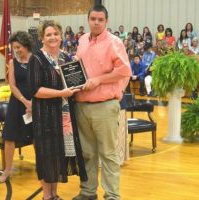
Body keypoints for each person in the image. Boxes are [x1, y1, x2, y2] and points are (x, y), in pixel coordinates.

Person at [73, 5, 131, 200]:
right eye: (93, 19)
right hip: (81, 105)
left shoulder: (114, 42)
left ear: (106, 21)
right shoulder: (81, 41)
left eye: (100, 20)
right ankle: (88, 192)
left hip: (104, 105)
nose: (96, 22)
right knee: (87, 153)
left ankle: (112, 195)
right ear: (88, 20)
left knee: (107, 153)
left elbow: (124, 71)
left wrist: (98, 80)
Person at [28, 20, 88, 200]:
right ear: (42, 38)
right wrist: (60, 92)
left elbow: (76, 83)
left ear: (61, 36)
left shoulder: (66, 58)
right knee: (47, 154)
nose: (53, 37)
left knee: (57, 154)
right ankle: (47, 196)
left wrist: (80, 72)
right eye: (48, 35)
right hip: (45, 115)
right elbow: (35, 90)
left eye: (55, 34)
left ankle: (55, 195)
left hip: (64, 116)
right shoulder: (36, 59)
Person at [0, 31, 34, 183]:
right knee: (9, 137)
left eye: (19, 47)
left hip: (36, 101)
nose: (17, 50)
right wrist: (26, 102)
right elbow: (12, 85)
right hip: (17, 103)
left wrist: (33, 102)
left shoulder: (36, 60)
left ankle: (43, 166)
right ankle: (7, 169)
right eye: (14, 48)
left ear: (26, 45)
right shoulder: (13, 62)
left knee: (37, 136)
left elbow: (40, 83)